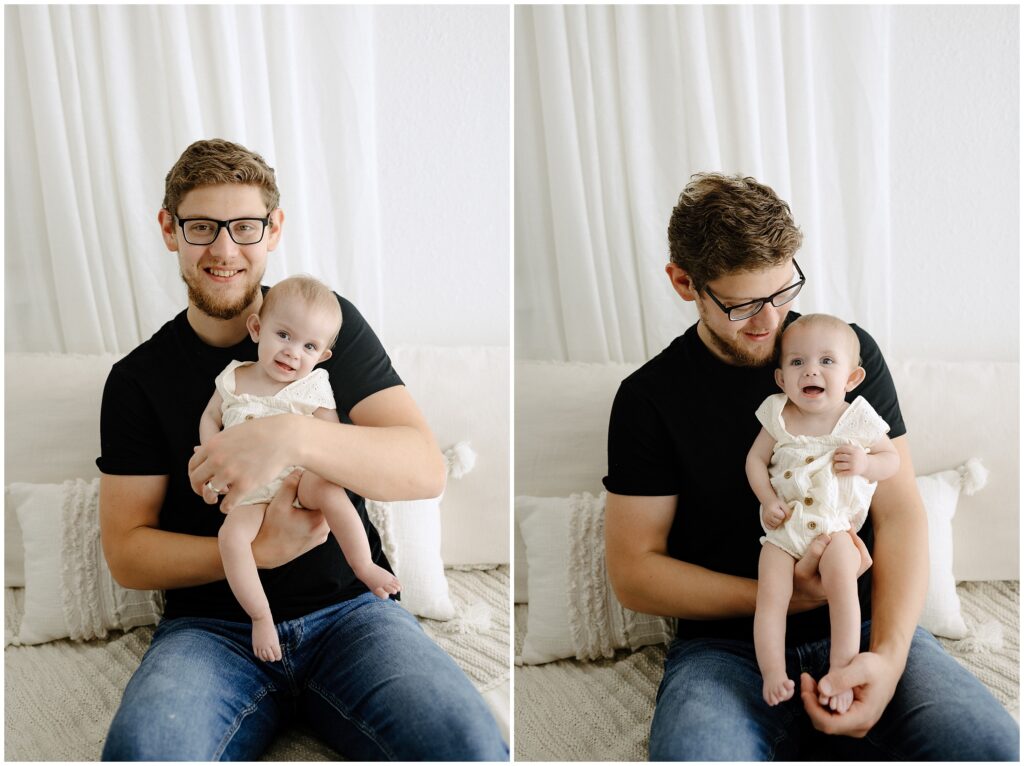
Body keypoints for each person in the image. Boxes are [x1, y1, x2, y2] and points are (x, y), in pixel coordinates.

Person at [97, 138, 507, 760]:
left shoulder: (326, 327)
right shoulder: (137, 380)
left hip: (352, 617)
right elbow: (128, 554)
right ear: (169, 230)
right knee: (144, 755)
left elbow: (423, 469)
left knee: (471, 748)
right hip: (210, 631)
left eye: (245, 226)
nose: (225, 249)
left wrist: (290, 434)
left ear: (274, 229)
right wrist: (258, 551)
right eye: (202, 227)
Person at [603, 173, 1019, 760]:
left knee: (991, 749)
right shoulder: (648, 399)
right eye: (745, 304)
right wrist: (779, 597)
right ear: (683, 282)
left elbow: (900, 513)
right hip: (728, 650)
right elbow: (633, 572)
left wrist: (890, 658)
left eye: (784, 292)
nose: (772, 322)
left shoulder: (847, 354)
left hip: (868, 622)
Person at [200, 275, 401, 663]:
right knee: (231, 538)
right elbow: (210, 417)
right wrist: (211, 452)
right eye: (284, 335)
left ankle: (363, 565)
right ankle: (261, 616)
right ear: (257, 329)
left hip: (298, 477)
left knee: (329, 492)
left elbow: (333, 440)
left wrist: (313, 457)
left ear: (322, 355)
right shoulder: (233, 377)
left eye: (309, 345)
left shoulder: (313, 387)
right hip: (250, 489)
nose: (293, 352)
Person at [747, 314, 898, 713]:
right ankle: (774, 672)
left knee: (843, 590)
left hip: (835, 530)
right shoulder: (778, 414)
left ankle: (841, 670)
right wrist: (767, 500)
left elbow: (892, 460)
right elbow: (755, 462)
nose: (811, 369)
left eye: (827, 361)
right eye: (797, 362)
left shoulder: (857, 418)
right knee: (771, 598)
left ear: (852, 378)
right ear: (781, 379)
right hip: (784, 530)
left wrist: (866, 463)